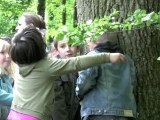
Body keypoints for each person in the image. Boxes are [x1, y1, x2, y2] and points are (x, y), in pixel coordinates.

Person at [7, 25, 126, 120]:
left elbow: (23, 41)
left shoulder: (20, 65)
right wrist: (107, 57)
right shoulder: (46, 66)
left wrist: (30, 31)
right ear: (39, 48)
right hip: (33, 117)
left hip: (14, 114)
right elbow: (77, 62)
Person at [76, 32, 137, 120]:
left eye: (88, 42)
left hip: (99, 112)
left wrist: (78, 93)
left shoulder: (93, 57)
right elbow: (132, 84)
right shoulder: (126, 59)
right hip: (127, 112)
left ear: (95, 41)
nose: (88, 45)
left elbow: (85, 83)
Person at [49, 39, 81, 120]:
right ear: (57, 50)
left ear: (78, 48)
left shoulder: (78, 68)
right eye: (62, 46)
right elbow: (57, 105)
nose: (68, 49)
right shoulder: (55, 70)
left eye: (71, 44)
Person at [0, 38, 15, 120]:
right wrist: (21, 101)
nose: (8, 56)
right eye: (2, 52)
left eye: (9, 52)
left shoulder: (5, 77)